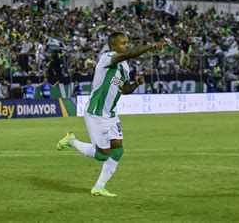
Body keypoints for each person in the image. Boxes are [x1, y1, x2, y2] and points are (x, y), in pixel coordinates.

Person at [57, 31, 164, 197]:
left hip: (111, 114)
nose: (126, 45)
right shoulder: (107, 58)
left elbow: (125, 89)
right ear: (113, 45)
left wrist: (136, 83)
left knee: (118, 151)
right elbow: (129, 54)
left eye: (127, 42)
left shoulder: (125, 66)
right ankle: (71, 141)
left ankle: (99, 187)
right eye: (122, 43)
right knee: (101, 155)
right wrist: (149, 46)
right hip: (96, 113)